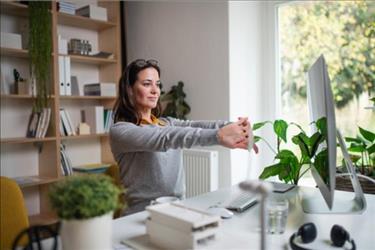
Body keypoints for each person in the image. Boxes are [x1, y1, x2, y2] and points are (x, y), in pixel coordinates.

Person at [110, 59, 258, 215]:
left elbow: (198, 126)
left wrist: (236, 126)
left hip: (177, 209)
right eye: (147, 84)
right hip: (141, 215)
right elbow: (166, 137)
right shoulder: (121, 131)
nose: (155, 90)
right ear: (130, 90)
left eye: (158, 84)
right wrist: (218, 136)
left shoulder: (167, 123)